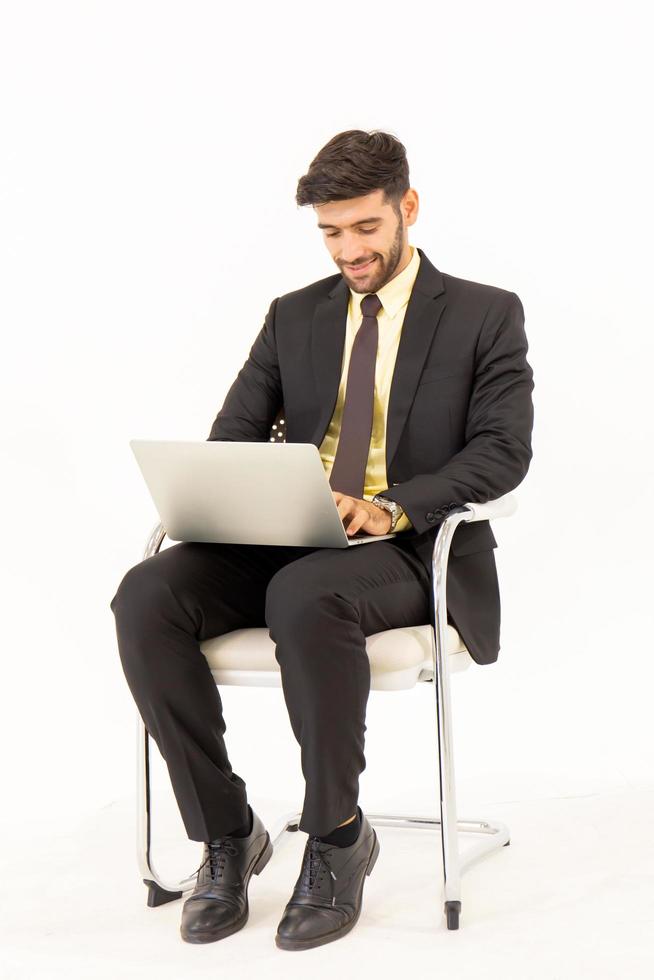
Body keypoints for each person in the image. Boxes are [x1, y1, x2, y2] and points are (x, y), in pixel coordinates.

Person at [110, 128, 535, 951]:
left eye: (365, 228)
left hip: (412, 550)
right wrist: (250, 489)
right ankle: (228, 834)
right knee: (146, 593)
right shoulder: (295, 315)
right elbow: (232, 435)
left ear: (406, 208)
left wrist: (391, 507)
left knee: (306, 594)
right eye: (331, 233)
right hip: (291, 536)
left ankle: (338, 838)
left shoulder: (485, 313)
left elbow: (502, 450)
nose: (349, 250)